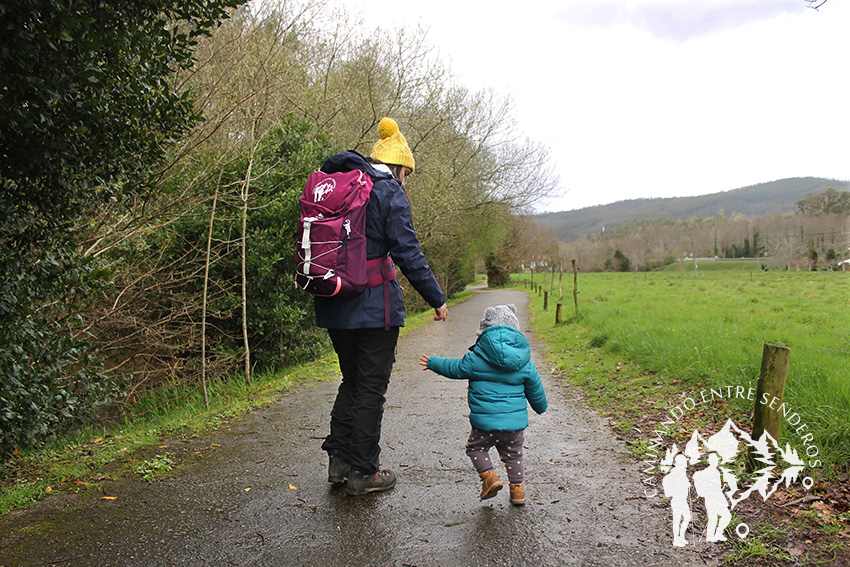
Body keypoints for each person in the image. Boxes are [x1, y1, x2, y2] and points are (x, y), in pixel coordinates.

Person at [317, 118, 448, 496]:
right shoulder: (388, 191)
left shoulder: (339, 183)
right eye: (407, 173)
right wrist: (436, 299)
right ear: (400, 168)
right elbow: (408, 252)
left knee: (352, 381)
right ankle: (364, 471)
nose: (406, 179)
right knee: (371, 388)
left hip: (334, 300)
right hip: (375, 307)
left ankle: (339, 463)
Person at [419, 304, 547, 505]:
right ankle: (518, 492)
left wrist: (433, 362)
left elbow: (454, 368)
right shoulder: (525, 363)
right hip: (514, 427)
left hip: (484, 425)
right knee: (514, 455)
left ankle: (489, 477)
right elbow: (536, 390)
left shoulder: (475, 358)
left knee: (475, 449)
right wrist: (540, 407)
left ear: (484, 332)